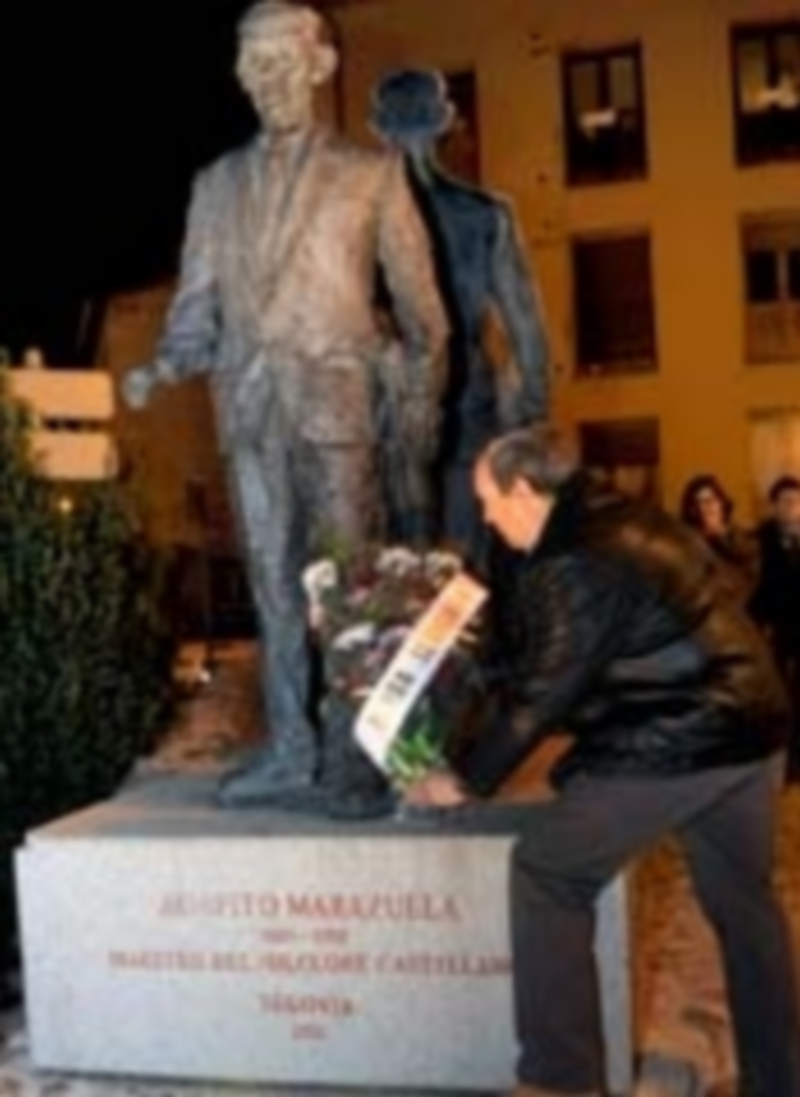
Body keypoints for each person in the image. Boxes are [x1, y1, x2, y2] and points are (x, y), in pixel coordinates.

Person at [405, 426, 800, 1097]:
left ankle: (561, 1079)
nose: (487, 518)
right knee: (745, 907)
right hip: (753, 723)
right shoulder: (611, 518)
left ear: (523, 490)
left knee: (546, 870)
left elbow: (542, 694)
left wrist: (461, 777)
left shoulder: (577, 558)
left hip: (691, 735)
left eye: (488, 501)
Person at [122, 1, 448, 807]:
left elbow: (425, 316)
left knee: (349, 586)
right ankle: (290, 749)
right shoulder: (215, 185)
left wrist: (414, 398)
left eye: (280, 59)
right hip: (249, 407)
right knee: (269, 582)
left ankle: (353, 754)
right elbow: (196, 308)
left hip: (339, 408)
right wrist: (166, 362)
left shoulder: (371, 174)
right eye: (252, 63)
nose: (266, 77)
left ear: (318, 66)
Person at [370, 68, 549, 558]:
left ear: (380, 132)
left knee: (401, 564)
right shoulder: (487, 213)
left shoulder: (360, 224)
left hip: (393, 409)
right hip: (470, 403)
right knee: (466, 558)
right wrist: (529, 418)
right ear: (443, 125)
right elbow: (527, 331)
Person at [751, 475, 800, 778]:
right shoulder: (762, 539)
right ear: (774, 506)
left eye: (797, 501)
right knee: (779, 698)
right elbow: (762, 587)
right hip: (776, 628)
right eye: (786, 501)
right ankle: (784, 760)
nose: (793, 507)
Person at [679, 473, 760, 607]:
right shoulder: (688, 545)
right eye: (698, 503)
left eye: (710, 500)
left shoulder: (745, 541)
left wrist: (722, 537)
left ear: (721, 503)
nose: (706, 508)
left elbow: (750, 578)